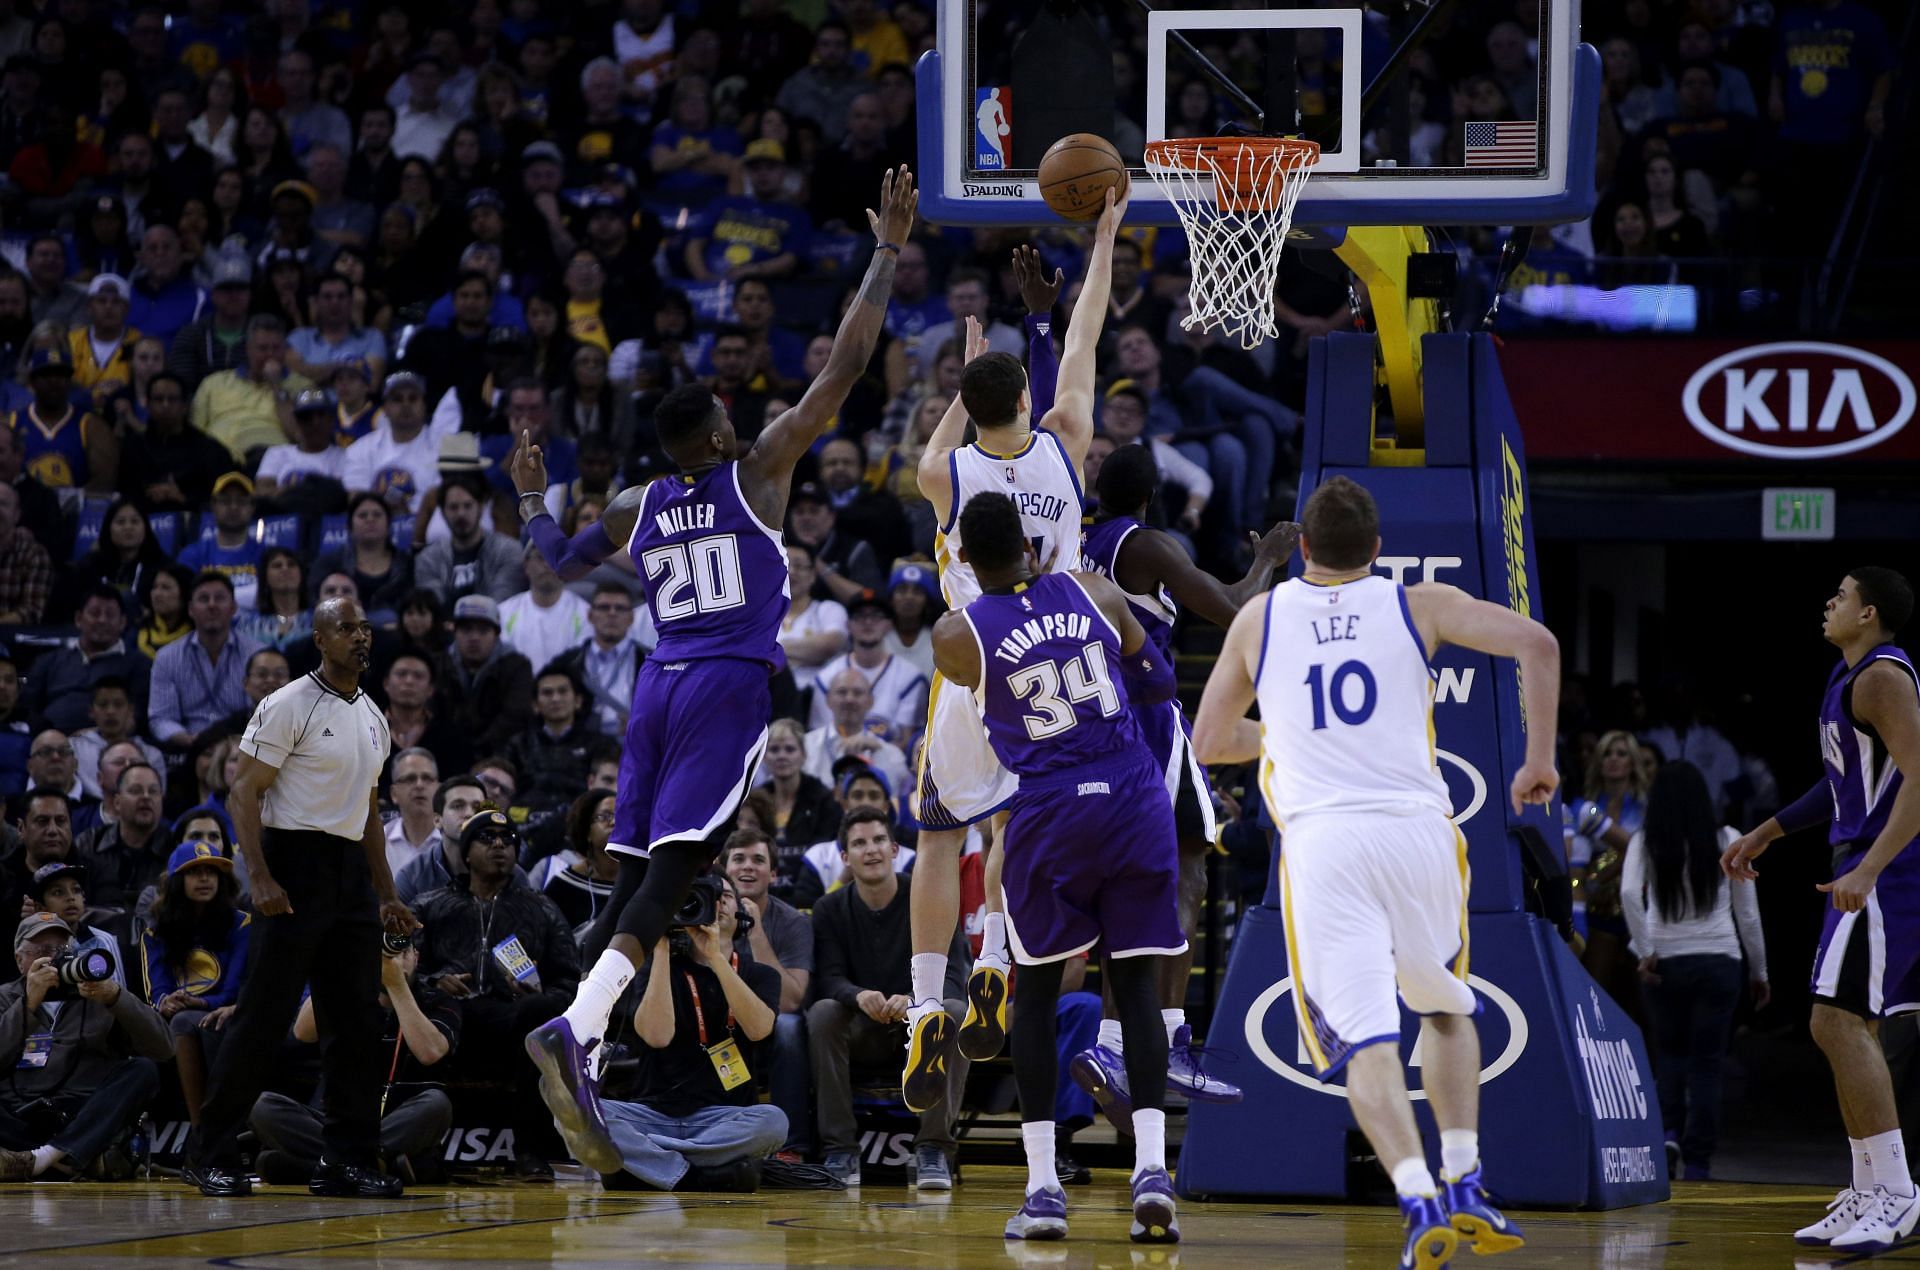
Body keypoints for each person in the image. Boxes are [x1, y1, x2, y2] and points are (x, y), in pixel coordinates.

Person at [514, 166, 917, 1177]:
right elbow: (845, 370)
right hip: (726, 686)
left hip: (652, 688)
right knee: (677, 873)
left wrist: (530, 499)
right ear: (721, 437)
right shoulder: (759, 473)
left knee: (639, 872)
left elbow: (555, 562)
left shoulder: (637, 504)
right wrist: (885, 252)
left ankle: (585, 1029)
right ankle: (581, 1025)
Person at [1191, 475, 1558, 1265]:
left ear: (1305, 550)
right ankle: (1466, 1179)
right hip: (1421, 835)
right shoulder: (1416, 602)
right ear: (1377, 551)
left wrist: (1284, 736)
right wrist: (1538, 761)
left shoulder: (1262, 616)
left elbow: (1210, 739)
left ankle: (1418, 1197)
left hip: (1326, 847)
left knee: (1366, 1044)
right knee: (1447, 1007)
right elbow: (1540, 644)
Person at [904, 206, 1119, 1106]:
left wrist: (968, 368)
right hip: (1051, 667)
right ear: (1028, 400)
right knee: (1009, 827)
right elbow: (1085, 335)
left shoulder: (942, 478)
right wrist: (1102, 238)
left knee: (936, 835)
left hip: (971, 662)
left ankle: (925, 1012)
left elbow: (942, 438)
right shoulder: (1068, 443)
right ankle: (994, 954)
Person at [931, 489, 1186, 1241]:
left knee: (1035, 994)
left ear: (968, 562)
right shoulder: (1095, 588)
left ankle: (1043, 1189)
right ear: (1034, 545)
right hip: (1134, 798)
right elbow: (1161, 683)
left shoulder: (958, 632)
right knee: (1134, 988)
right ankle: (1152, 1171)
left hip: (1051, 810)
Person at [1067, 443, 1296, 1120]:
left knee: (1127, 888)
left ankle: (1111, 1041)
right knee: (1188, 872)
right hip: (1149, 722)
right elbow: (1233, 607)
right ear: (1149, 494)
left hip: (1097, 727)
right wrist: (1269, 559)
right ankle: (1167, 1041)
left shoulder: (1083, 546)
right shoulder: (1146, 544)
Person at [180, 596, 420, 1198]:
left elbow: (367, 810)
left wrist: (385, 891)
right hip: (291, 864)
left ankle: (345, 1160)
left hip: (349, 880)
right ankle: (207, 1152)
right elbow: (243, 794)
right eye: (346, 628)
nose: (360, 636)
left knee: (357, 1025)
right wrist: (257, 876)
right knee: (261, 1019)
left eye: (365, 627)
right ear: (319, 639)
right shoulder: (287, 703)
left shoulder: (373, 715)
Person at [1723, 568, 1920, 1252]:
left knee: (1838, 1023)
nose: (1829, 604)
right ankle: (1869, 1186)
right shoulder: (1850, 679)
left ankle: (1894, 1192)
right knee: (1838, 1024)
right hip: (1864, 865)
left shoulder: (1882, 678)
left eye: (1841, 595)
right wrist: (1766, 832)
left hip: (1887, 872)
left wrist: (1869, 867)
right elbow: (1842, 784)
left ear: (1868, 613)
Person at [412, 807, 579, 1180]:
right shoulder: (430, 905)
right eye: (487, 839)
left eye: (509, 840)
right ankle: (422, 1148)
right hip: (449, 1014)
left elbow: (569, 981)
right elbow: (406, 972)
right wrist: (436, 981)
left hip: (511, 1017)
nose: (500, 845)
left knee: (537, 1015)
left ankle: (530, 1151)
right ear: (466, 852)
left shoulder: (541, 908)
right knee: (424, 1012)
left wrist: (538, 994)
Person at [809, 807, 971, 1188]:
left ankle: (934, 1148)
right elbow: (828, 979)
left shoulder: (930, 895)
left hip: (918, 1027)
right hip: (861, 1027)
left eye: (879, 840)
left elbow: (954, 974)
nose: (872, 850)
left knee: (954, 1011)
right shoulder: (828, 908)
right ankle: (840, 1149)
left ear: (896, 849)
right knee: (821, 1013)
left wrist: (917, 998)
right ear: (845, 857)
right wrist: (857, 994)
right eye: (860, 843)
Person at [1621, 761, 1766, 1182]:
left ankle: (1667, 1134)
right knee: (1707, 1064)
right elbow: (1749, 915)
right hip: (1720, 961)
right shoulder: (1728, 839)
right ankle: (1698, 1162)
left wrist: (1645, 950)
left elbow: (1630, 893)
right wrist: (1760, 972)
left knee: (1668, 1056)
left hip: (1665, 962)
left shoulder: (1645, 840)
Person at [598, 875, 788, 1192]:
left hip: (724, 1119)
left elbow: (758, 1030)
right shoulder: (657, 967)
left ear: (742, 913)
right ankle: (696, 1174)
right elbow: (657, 1036)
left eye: (725, 895)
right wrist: (660, 949)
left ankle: (650, 1162)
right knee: (584, 1112)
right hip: (652, 1114)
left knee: (773, 1122)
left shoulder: (761, 974)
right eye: (705, 896)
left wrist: (715, 956)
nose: (716, 904)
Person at [249, 939, 454, 1186]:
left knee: (436, 1104)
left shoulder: (437, 999)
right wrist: (342, 968)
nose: (389, 960)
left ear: (416, 957)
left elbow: (430, 1052)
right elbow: (303, 1032)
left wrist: (396, 984)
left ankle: (324, 1165)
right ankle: (377, 1165)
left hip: (400, 1121)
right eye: (379, 953)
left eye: (400, 953)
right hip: (336, 1122)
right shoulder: (348, 990)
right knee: (264, 1107)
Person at [0, 912, 172, 1181]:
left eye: (62, 949)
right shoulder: (4, 996)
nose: (53, 957)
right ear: (19, 960)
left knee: (143, 1070)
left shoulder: (97, 992)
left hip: (84, 1114)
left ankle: (43, 1159)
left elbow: (164, 1048)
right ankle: (75, 1160)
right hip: (19, 1114)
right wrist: (27, 1005)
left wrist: (116, 997)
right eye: (42, 950)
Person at [138, 840, 251, 1127]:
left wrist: (200, 1003)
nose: (204, 878)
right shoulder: (155, 933)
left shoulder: (242, 925)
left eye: (212, 872)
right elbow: (157, 991)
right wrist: (166, 1002)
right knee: (180, 1020)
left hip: (227, 1013)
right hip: (174, 1016)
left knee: (187, 1021)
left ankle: (203, 1132)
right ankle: (204, 1131)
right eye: (194, 872)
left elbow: (233, 991)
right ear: (177, 881)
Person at [722, 828, 812, 1156]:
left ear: (773, 874)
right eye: (739, 859)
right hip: (716, 1019)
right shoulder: (704, 913)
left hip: (769, 1025)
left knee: (790, 1027)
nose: (748, 866)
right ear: (723, 868)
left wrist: (755, 929)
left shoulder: (794, 923)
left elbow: (789, 1002)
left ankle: (792, 1145)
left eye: (758, 860)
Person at [149, 572, 263, 750]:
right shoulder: (166, 657)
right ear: (190, 609)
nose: (212, 605)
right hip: (188, 747)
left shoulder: (256, 654)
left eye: (219, 598)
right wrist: (190, 740)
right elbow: (161, 717)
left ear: (233, 608)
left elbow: (261, 711)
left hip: (242, 745)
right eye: (203, 599)